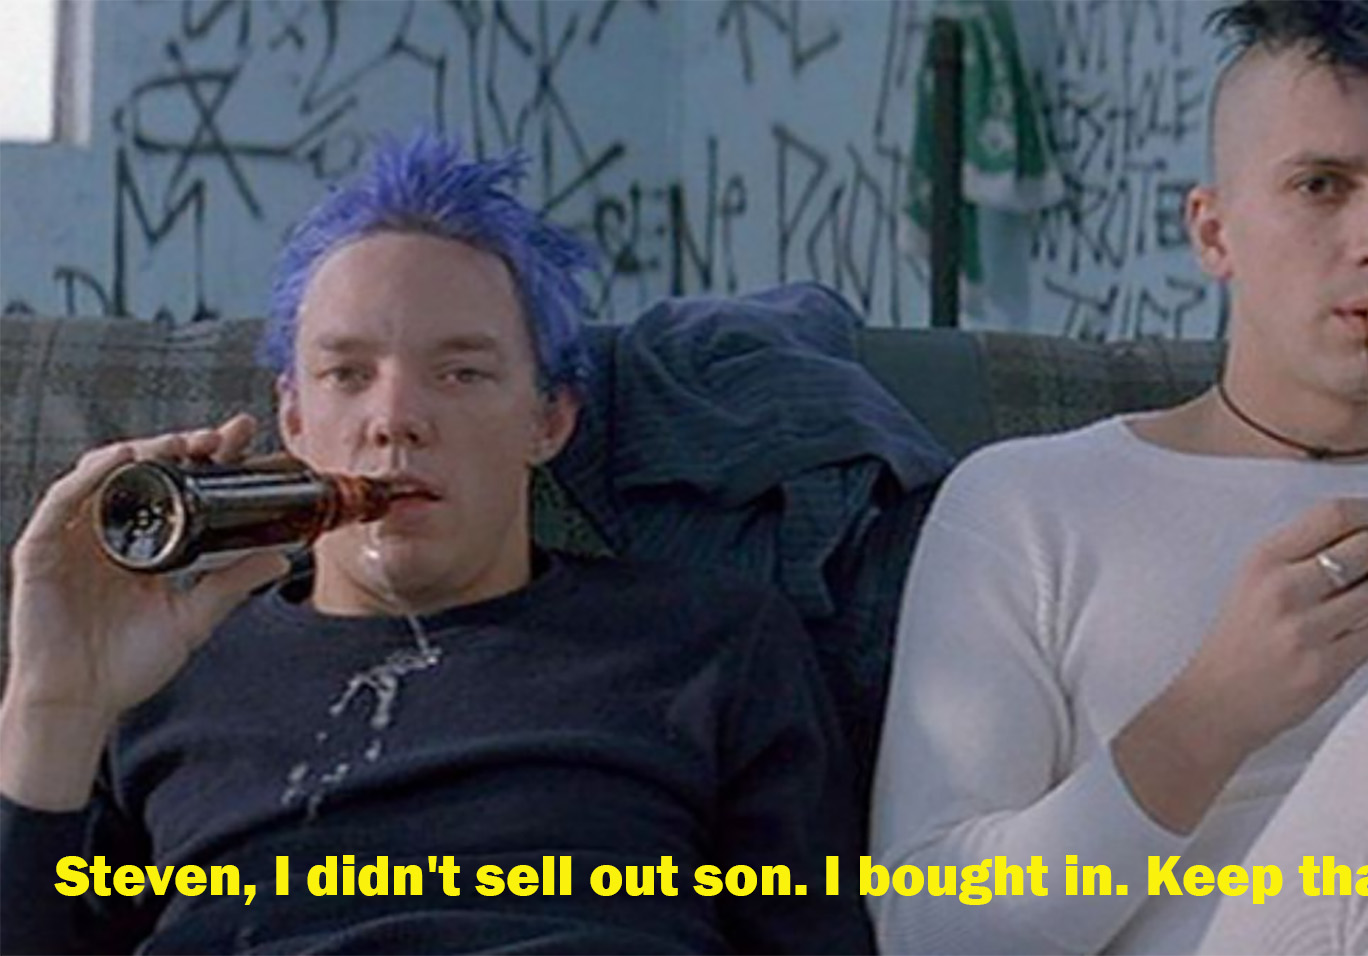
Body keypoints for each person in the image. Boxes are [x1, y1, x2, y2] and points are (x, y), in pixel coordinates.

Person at [868, 3, 1368, 954]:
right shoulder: (1023, 507)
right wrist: (1205, 716)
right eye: (1320, 186)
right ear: (1214, 234)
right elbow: (929, 928)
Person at [0, 133, 873, 954]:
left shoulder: (710, 643)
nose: (394, 420)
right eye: (347, 374)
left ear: (548, 420)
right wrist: (53, 708)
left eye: (461, 373)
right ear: (293, 418)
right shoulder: (155, 670)